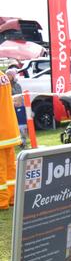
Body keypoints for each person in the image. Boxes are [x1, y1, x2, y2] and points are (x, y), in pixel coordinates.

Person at [0, 70, 21, 210]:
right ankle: (12, 197)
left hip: (1, 131)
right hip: (9, 129)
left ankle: (2, 201)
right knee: (10, 168)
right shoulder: (2, 75)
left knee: (1, 168)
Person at [6, 69, 27, 147]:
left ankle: (22, 142)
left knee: (21, 126)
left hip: (18, 105)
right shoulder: (5, 84)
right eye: (6, 75)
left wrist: (10, 89)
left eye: (9, 75)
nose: (7, 76)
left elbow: (18, 95)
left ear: (12, 76)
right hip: (9, 106)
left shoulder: (17, 85)